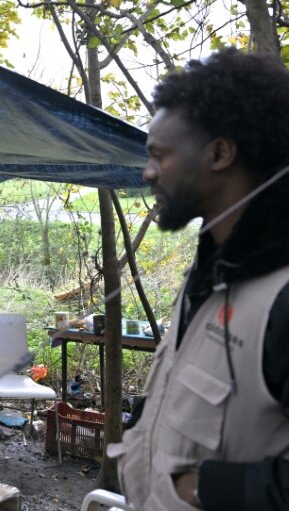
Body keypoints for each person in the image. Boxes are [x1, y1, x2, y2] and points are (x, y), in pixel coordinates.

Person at [107, 48, 289, 510]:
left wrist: (206, 489)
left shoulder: (282, 298)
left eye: (159, 156)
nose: (147, 172)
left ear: (220, 153)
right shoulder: (207, 276)